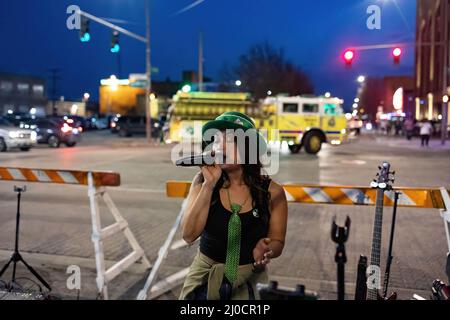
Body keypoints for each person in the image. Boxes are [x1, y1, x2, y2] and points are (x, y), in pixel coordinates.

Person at [179, 111, 288, 300]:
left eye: (230, 140)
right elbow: (188, 235)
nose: (220, 146)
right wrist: (208, 185)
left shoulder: (273, 192)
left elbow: (277, 241)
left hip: (249, 281)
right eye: (216, 139)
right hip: (204, 280)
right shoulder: (202, 183)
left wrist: (268, 249)